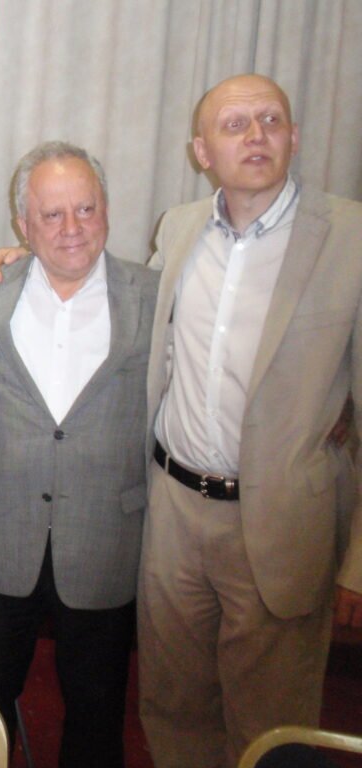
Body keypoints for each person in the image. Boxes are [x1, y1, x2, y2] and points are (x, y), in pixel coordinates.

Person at [138, 73, 362, 768]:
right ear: (202, 151)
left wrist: (358, 563)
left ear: (294, 137)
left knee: (272, 723)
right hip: (174, 512)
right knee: (173, 702)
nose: (256, 135)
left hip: (282, 522)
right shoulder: (178, 229)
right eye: (234, 124)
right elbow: (128, 315)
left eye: (270, 120)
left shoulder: (351, 237)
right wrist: (26, 261)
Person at [0, 142, 156, 767]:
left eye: (85, 209)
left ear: (106, 210)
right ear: (23, 224)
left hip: (105, 537)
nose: (72, 228)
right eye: (51, 214)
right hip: (0, 535)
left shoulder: (156, 297)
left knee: (98, 713)